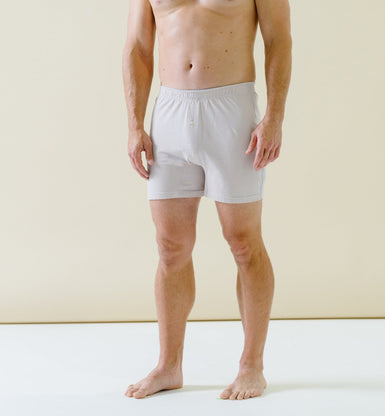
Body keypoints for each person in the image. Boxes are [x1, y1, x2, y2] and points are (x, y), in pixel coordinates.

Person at [122, 0, 292, 401]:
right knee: (170, 247)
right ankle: (169, 365)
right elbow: (138, 46)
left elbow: (279, 40)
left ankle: (252, 366)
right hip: (170, 112)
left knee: (244, 243)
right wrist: (134, 124)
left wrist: (274, 117)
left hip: (231, 112)